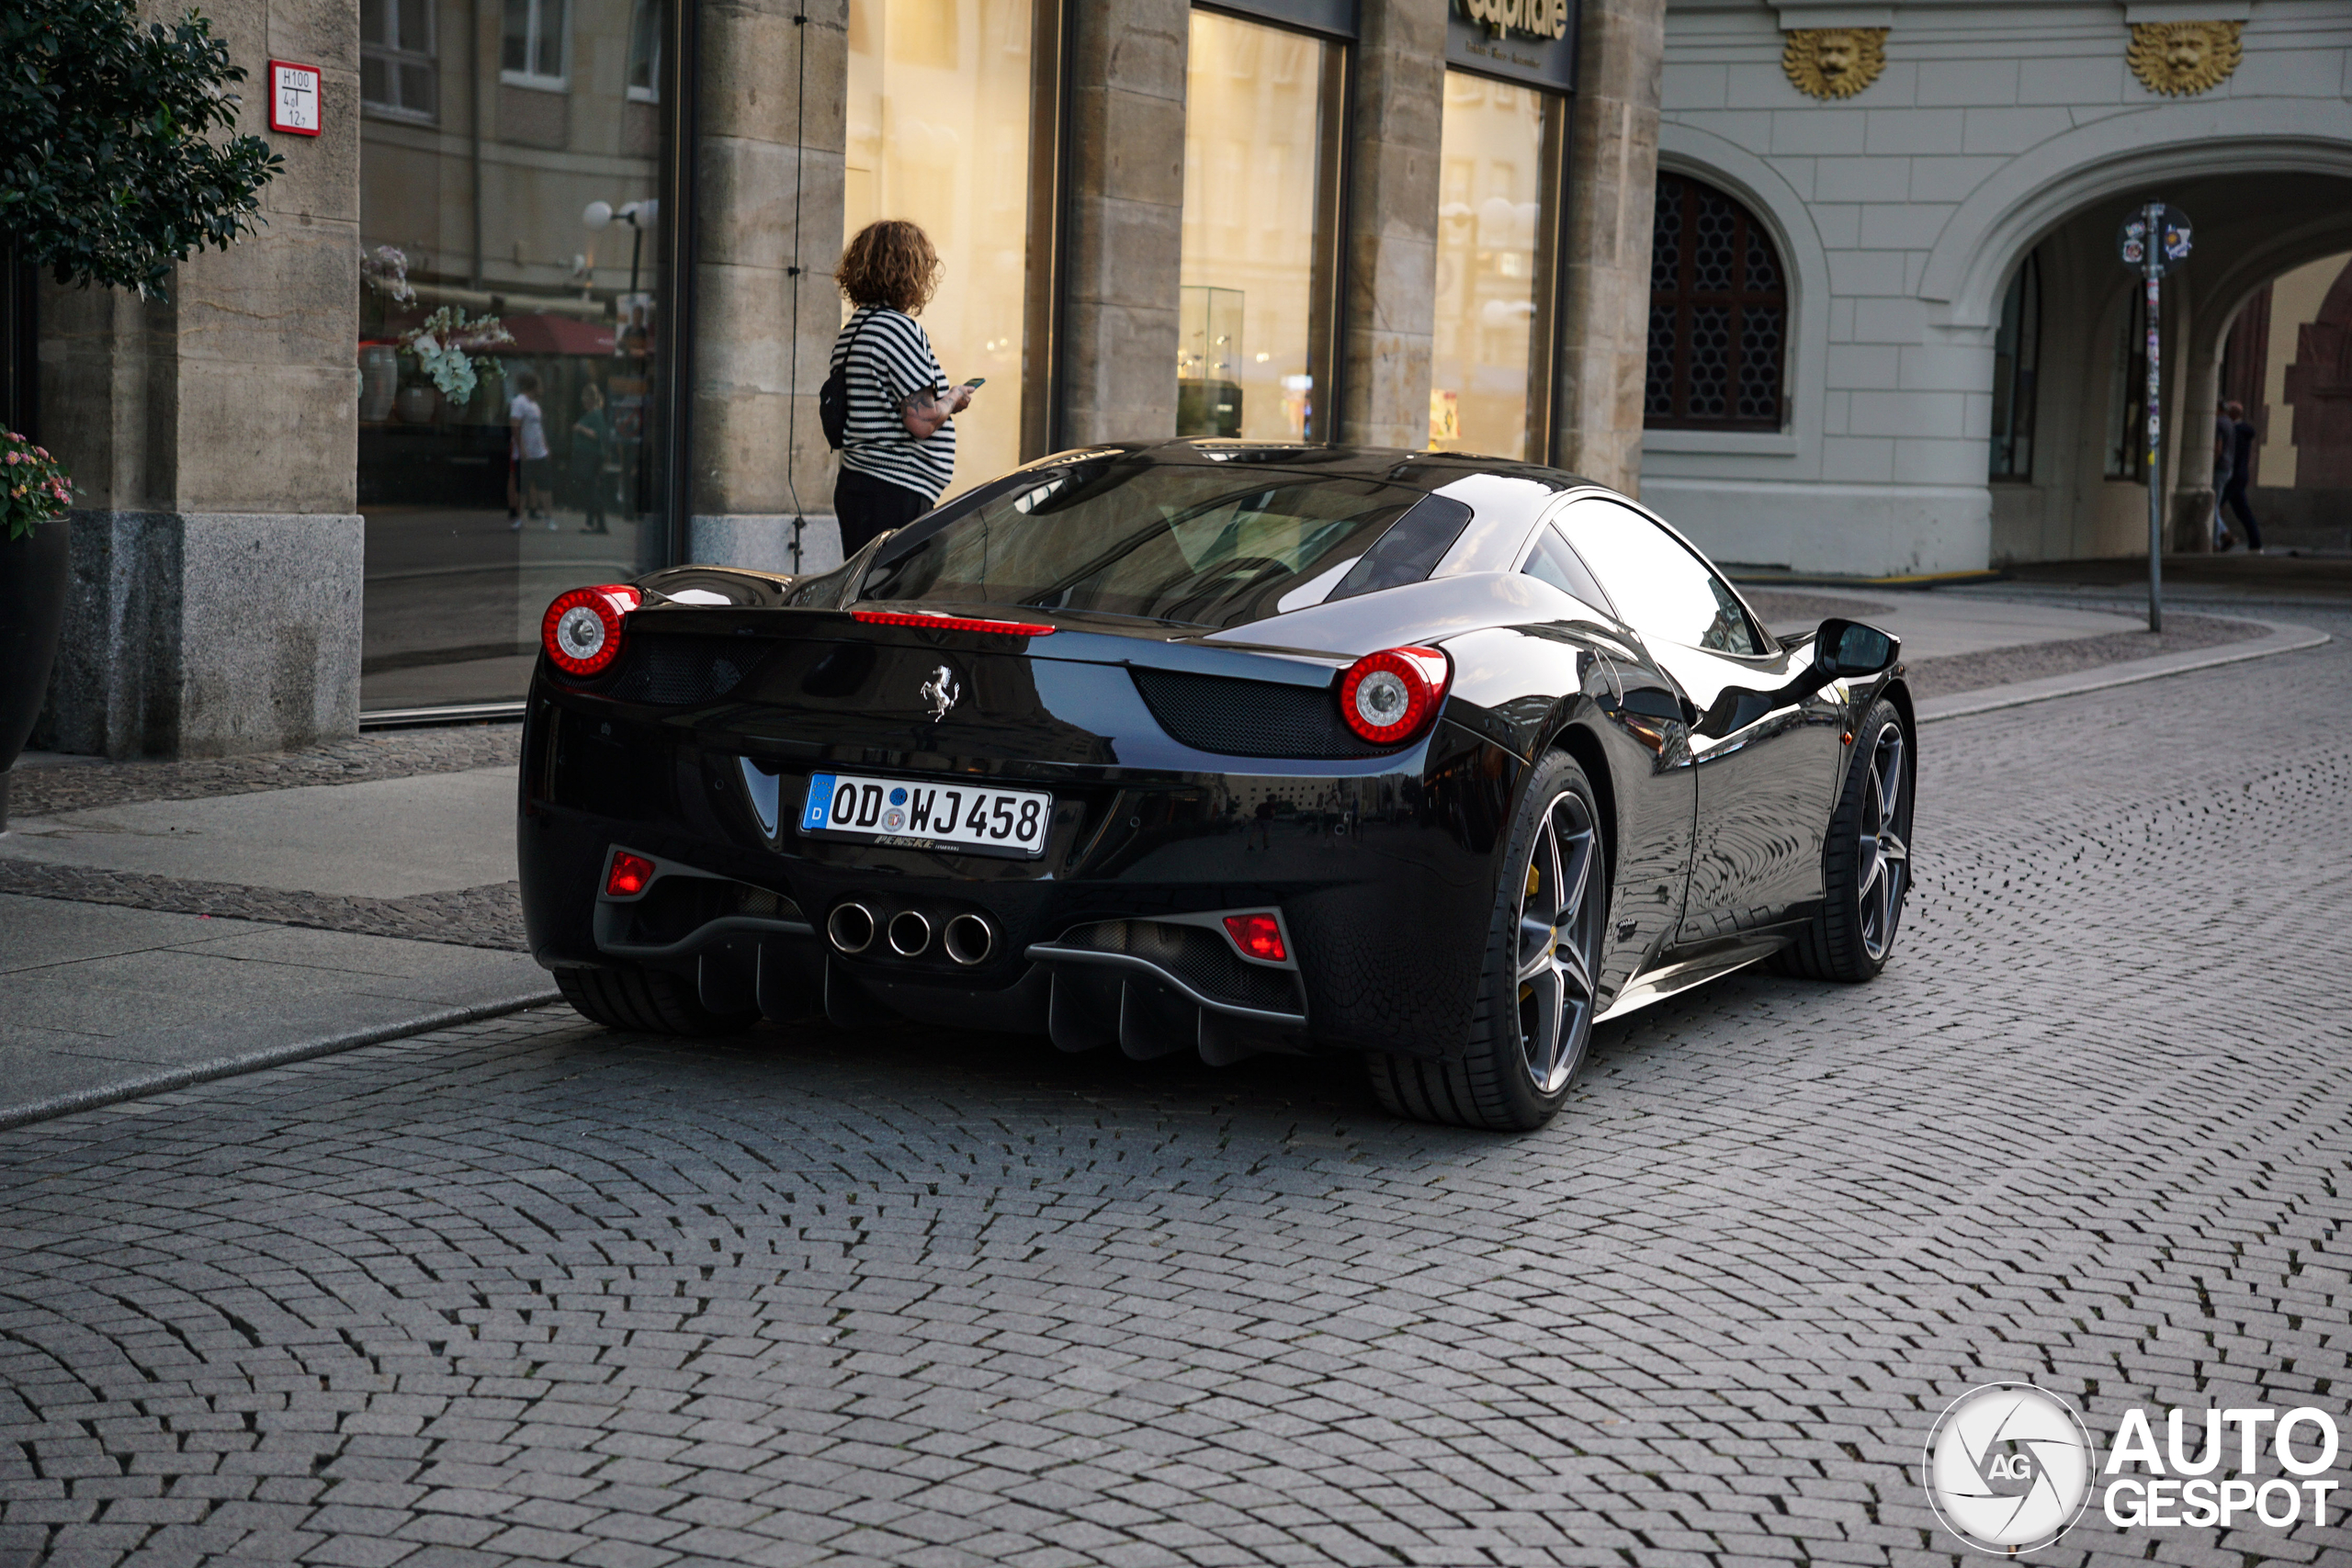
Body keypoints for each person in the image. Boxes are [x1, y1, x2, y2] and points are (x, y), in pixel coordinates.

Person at [829, 220, 974, 557]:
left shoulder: (854, 330)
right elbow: (921, 420)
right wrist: (953, 397)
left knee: (867, 591)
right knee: (892, 597)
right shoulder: (897, 329)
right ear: (909, 272)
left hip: (860, 485)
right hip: (893, 492)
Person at [509, 371, 553, 530]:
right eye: (540, 386)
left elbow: (538, 429)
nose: (542, 389)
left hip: (539, 453)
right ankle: (519, 519)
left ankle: (549, 518)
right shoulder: (519, 402)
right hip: (526, 454)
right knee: (523, 488)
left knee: (545, 487)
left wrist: (545, 446)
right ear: (534, 387)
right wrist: (521, 449)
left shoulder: (535, 405)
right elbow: (515, 425)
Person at [2220, 399, 2264, 553]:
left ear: (2232, 413)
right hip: (2241, 475)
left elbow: (2232, 455)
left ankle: (2224, 537)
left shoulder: (2235, 432)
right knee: (2243, 511)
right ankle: (2255, 544)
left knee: (2215, 506)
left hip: (2232, 476)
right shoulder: (2243, 431)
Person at [571, 384, 612, 536]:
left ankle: (599, 523)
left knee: (590, 488)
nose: (583, 402)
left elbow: (597, 435)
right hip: (589, 455)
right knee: (590, 487)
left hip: (590, 456)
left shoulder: (596, 414)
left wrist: (580, 428)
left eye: (585, 399)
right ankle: (592, 523)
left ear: (590, 399)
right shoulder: (593, 414)